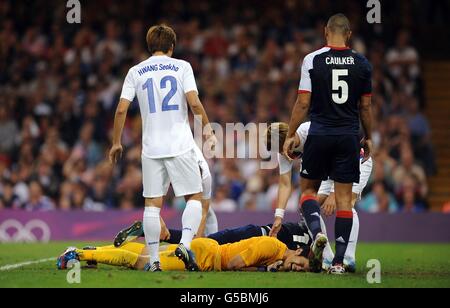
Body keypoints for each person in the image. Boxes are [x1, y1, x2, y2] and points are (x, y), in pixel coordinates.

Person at [109, 24, 217, 272]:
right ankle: (186, 246)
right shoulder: (182, 67)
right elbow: (195, 104)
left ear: (149, 46)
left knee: (152, 204)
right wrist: (208, 129)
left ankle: (155, 261)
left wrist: (116, 142)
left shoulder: (136, 71)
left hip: (151, 148)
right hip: (179, 144)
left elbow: (121, 109)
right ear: (172, 46)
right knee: (194, 197)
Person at [283, 14, 373, 274]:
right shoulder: (362, 63)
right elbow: (365, 107)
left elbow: (302, 103)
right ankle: (338, 263)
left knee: (308, 193)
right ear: (349, 34)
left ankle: (316, 234)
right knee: (345, 201)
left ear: (325, 32)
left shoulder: (312, 60)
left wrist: (290, 134)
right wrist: (369, 136)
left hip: (319, 134)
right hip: (347, 136)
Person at [265, 121, 373, 272]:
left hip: (355, 160)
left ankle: (348, 259)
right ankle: (327, 258)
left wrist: (335, 193)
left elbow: (341, 152)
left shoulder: (311, 130)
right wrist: (278, 216)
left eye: (281, 149)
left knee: (345, 202)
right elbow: (284, 184)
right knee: (308, 207)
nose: (283, 154)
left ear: (287, 139)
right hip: (327, 169)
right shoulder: (284, 151)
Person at [57, 236, 327, 273]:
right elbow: (233, 264)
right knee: (140, 263)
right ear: (299, 251)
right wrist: (264, 270)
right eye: (300, 263)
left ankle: (89, 252)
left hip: (205, 251)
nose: (297, 268)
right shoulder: (273, 248)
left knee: (141, 251)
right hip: (205, 257)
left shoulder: (277, 254)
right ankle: (77, 255)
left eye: (302, 269)